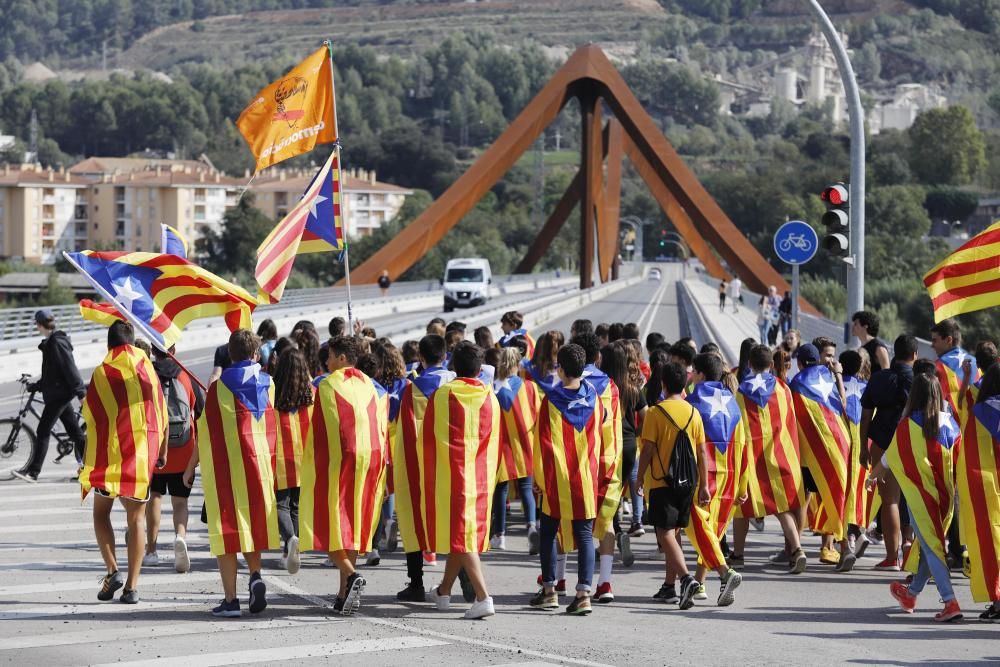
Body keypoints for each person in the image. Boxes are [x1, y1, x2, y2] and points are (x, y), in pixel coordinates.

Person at [184, 329, 279, 618]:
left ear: (229, 354)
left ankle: (230, 600)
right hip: (259, 468)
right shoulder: (268, 383)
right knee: (252, 527)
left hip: (227, 471)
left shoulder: (219, 387)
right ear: (255, 354)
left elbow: (205, 432)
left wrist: (190, 468)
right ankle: (255, 574)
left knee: (227, 532)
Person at [299, 336, 387, 615]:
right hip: (371, 460)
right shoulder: (371, 385)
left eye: (330, 356)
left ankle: (350, 575)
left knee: (328, 525)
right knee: (348, 526)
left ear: (341, 359)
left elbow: (318, 430)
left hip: (340, 460)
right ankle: (343, 595)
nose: (326, 362)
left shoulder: (327, 385)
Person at [81, 321, 167, 604]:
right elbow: (161, 416)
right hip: (141, 458)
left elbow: (91, 417)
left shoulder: (102, 372)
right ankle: (131, 587)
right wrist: (162, 452)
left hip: (110, 458)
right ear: (131, 342)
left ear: (109, 345)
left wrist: (88, 461)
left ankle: (112, 569)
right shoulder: (149, 373)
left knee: (100, 514)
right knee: (137, 519)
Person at [870, 373, 962, 622]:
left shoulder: (908, 425)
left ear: (915, 396)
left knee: (933, 549)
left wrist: (871, 478)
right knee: (929, 545)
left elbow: (888, 459)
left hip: (921, 499)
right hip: (946, 498)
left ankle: (950, 601)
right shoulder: (952, 425)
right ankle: (910, 593)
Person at [423, 342, 501, 619]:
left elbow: (428, 438)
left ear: (453, 366)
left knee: (462, 535)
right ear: (481, 369)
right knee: (462, 534)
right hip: (479, 475)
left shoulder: (442, 395)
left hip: (451, 475)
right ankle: (444, 591)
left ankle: (483, 597)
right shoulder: (490, 397)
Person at [531, 344, 604, 616]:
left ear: (560, 369)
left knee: (549, 532)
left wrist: (538, 477)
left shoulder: (550, 400)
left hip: (556, 479)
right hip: (585, 476)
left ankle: (549, 591)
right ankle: (584, 594)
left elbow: (542, 443)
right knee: (584, 534)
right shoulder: (594, 397)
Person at [731, 345, 806, 574]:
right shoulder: (783, 389)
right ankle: (797, 550)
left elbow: (738, 425)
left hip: (752, 459)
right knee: (781, 506)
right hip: (777, 454)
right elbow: (789, 420)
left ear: (749, 365)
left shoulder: (741, 391)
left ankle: (738, 555)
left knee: (742, 508)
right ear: (771, 365)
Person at [638, 361, 707, 610]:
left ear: (663, 385)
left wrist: (638, 478)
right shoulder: (694, 413)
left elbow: (647, 449)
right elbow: (701, 451)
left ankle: (686, 579)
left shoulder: (656, 413)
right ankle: (669, 586)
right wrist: (705, 485)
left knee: (664, 533)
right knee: (675, 533)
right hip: (688, 482)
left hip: (661, 481)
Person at [393, 335, 456, 601]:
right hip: (453, 462)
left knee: (413, 518)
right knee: (454, 520)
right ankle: (462, 579)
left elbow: (405, 432)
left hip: (420, 463)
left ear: (421, 358)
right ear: (445, 355)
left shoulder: (412, 388)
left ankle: (416, 583)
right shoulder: (458, 385)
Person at [684, 353, 745, 606]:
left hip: (703, 475)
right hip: (729, 474)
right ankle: (699, 584)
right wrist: (743, 483)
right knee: (712, 529)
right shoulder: (732, 402)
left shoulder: (693, 401)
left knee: (699, 526)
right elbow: (743, 444)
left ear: (698, 373)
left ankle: (724, 572)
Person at [857, 335, 917, 569]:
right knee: (913, 499)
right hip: (913, 443)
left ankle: (892, 557)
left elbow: (865, 416)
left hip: (883, 443)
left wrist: (863, 447)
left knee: (890, 500)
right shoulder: (921, 380)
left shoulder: (879, 378)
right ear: (915, 355)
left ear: (894, 354)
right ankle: (909, 546)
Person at [144, 344, 205, 573]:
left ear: (152, 349)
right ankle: (180, 537)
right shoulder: (186, 376)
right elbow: (201, 412)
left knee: (155, 498)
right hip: (184, 450)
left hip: (155, 451)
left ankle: (151, 551)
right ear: (174, 349)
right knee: (180, 502)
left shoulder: (147, 375)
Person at [790, 343, 851, 566]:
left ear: (799, 363)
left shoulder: (796, 383)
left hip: (808, 455)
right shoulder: (828, 377)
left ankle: (796, 550)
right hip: (835, 448)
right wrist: (839, 377)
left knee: (802, 500)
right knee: (833, 497)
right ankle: (839, 547)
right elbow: (843, 404)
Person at [14, 309, 86, 482]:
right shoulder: (51, 342)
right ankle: (90, 470)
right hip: (59, 393)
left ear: (39, 325)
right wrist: (36, 386)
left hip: (60, 395)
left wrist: (81, 392)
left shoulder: (56, 343)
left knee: (43, 431)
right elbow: (52, 374)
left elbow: (70, 369)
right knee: (76, 434)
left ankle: (33, 472)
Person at [958, 363, 1000, 622]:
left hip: (986, 489)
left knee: (992, 544)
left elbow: (970, 454)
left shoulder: (977, 412)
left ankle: (997, 600)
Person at [491, 347, 540, 553]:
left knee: (501, 491)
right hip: (525, 442)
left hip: (501, 445)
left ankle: (499, 536)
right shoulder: (530, 387)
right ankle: (531, 527)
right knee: (526, 488)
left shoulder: (493, 387)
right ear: (518, 363)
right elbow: (537, 415)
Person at [272, 347, 314, 574]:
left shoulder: (272, 392)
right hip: (305, 457)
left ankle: (290, 541)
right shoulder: (312, 393)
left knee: (280, 504)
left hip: (280, 456)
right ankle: (292, 547)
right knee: (297, 506)